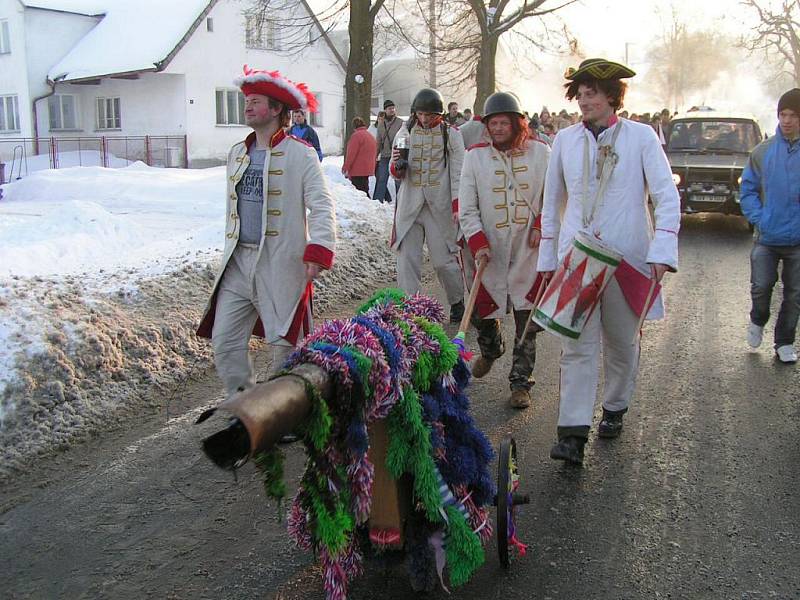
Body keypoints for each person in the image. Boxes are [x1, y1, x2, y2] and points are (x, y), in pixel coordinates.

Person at [537, 58, 680, 465]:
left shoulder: (642, 138)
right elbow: (552, 203)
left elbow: (666, 196)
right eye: (580, 94)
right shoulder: (564, 141)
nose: (585, 100)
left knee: (620, 344)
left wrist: (662, 251)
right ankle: (572, 433)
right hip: (578, 259)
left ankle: (615, 407)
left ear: (612, 97)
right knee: (577, 347)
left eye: (592, 93)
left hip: (628, 257)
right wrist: (549, 257)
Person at [197, 66, 336, 397]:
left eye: (256, 101)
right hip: (238, 262)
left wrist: (318, 249)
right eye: (247, 100)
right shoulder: (237, 153)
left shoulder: (300, 154)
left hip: (281, 261)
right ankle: (245, 405)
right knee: (225, 340)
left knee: (286, 341)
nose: (247, 107)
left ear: (277, 110)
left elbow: (321, 204)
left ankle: (286, 408)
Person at [458, 92, 550, 408]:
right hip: (489, 248)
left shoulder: (540, 153)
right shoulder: (474, 157)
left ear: (516, 123)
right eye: (492, 123)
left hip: (528, 247)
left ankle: (521, 383)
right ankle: (490, 349)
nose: (497, 128)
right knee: (485, 311)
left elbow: (553, 197)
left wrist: (541, 225)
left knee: (527, 320)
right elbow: (467, 207)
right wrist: (478, 242)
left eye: (503, 123)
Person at [390, 88, 466, 323]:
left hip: (438, 206)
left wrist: (457, 206)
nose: (424, 119)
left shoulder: (451, 135)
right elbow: (395, 170)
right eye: (421, 114)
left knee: (444, 261)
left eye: (429, 115)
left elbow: (458, 173)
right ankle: (410, 308)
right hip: (410, 204)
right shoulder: (404, 132)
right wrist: (397, 167)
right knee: (407, 261)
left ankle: (457, 301)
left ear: (439, 115)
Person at [741, 88, 800, 364]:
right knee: (762, 286)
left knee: (795, 294)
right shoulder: (762, 152)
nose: (787, 120)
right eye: (782, 114)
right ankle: (757, 318)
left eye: (793, 115)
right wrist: (759, 218)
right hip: (767, 236)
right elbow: (748, 190)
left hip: (798, 240)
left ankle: (785, 342)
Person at [374, 100, 404, 203]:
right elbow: (378, 140)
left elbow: (403, 138)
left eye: (393, 108)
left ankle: (400, 202)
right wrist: (375, 155)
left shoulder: (400, 123)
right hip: (385, 155)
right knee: (382, 179)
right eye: (389, 108)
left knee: (398, 180)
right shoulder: (381, 124)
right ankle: (377, 202)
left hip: (397, 156)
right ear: (385, 110)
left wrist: (402, 154)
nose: (392, 110)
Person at [343, 116, 378, 197]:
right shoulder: (369, 135)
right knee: (365, 188)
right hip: (368, 168)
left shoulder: (356, 136)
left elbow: (351, 154)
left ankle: (367, 207)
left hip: (357, 170)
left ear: (354, 126)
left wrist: (346, 167)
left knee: (360, 192)